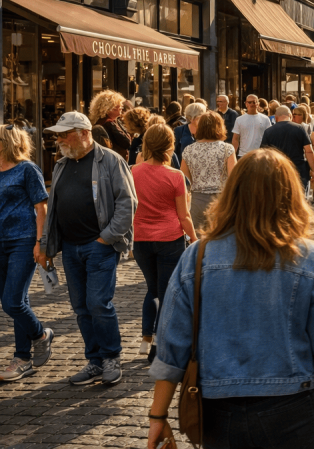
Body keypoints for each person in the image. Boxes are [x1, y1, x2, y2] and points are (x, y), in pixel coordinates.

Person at [146, 148, 314, 449]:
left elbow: (172, 343)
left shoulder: (197, 256)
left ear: (232, 193)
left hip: (218, 410)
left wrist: (158, 415)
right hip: (292, 406)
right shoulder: (308, 257)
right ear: (289, 195)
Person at [39, 112, 137, 385]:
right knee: (81, 307)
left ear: (84, 132)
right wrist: (46, 244)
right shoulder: (61, 164)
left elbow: (127, 203)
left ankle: (111, 357)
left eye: (64, 134)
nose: (59, 140)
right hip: (70, 248)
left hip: (99, 247)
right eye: (57, 135)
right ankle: (94, 361)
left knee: (98, 304)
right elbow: (53, 208)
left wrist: (106, 237)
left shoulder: (110, 160)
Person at [131, 125, 198, 362]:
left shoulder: (132, 172)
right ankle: (159, 345)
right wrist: (194, 238)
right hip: (170, 238)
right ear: (170, 146)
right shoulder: (175, 176)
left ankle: (146, 339)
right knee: (167, 292)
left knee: (152, 288)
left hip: (141, 239)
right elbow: (184, 215)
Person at [0, 126, 54, 382]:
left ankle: (41, 335)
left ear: (6, 142)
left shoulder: (27, 169)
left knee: (12, 302)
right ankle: (22, 359)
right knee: (18, 300)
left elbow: (41, 207)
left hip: (22, 240)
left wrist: (40, 242)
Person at [180, 112, 236, 231]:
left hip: (197, 200)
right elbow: (234, 178)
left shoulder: (189, 150)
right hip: (220, 200)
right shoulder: (227, 149)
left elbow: (184, 181)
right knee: (221, 236)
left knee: (198, 239)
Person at [260, 106, 314, 194]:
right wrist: (313, 170)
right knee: (300, 198)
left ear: (276, 117)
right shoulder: (299, 128)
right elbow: (309, 151)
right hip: (298, 169)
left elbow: (264, 153)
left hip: (277, 170)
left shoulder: (268, 132)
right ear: (290, 116)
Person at [90, 90, 132, 160]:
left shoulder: (110, 121)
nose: (121, 107)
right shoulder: (108, 123)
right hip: (113, 161)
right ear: (108, 108)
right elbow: (126, 142)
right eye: (118, 105)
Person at [232, 94, 272, 159]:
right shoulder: (239, 119)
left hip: (260, 155)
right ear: (246, 104)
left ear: (258, 104)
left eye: (254, 102)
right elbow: (235, 138)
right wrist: (233, 155)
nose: (252, 104)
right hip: (243, 155)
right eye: (249, 102)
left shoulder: (265, 119)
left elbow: (270, 137)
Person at [173, 102, 206, 168]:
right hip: (182, 169)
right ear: (191, 118)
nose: (203, 119)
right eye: (199, 117)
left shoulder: (206, 131)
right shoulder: (179, 130)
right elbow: (174, 153)